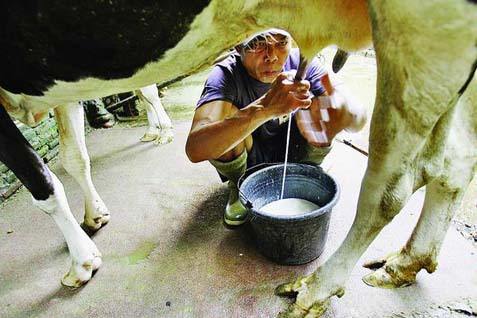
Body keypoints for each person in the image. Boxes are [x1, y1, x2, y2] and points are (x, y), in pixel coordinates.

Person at [185, 29, 367, 226]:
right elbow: (195, 148)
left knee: (320, 106)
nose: (271, 56)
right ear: (238, 46)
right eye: (257, 44)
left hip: (296, 154)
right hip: (249, 161)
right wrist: (263, 109)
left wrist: (343, 111)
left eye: (281, 43)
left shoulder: (303, 62)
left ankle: (308, 171)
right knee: (223, 121)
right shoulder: (225, 75)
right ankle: (241, 186)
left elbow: (349, 107)